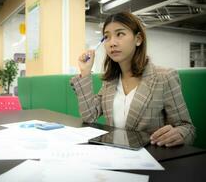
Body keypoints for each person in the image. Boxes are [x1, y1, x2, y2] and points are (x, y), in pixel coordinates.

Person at [70, 11, 195, 147]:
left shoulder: (164, 77)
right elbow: (89, 116)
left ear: (138, 39)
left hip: (153, 158)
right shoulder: (110, 82)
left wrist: (180, 134)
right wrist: (85, 72)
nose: (112, 43)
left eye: (120, 34)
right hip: (114, 156)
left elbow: (187, 128)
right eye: (107, 37)